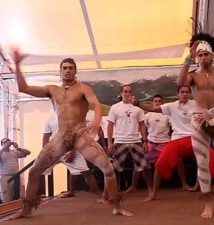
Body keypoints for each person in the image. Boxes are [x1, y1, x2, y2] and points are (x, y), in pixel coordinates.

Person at [9, 50, 132, 219]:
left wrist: (96, 121)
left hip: (79, 134)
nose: (67, 70)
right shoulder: (52, 90)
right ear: (60, 72)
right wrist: (16, 65)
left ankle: (116, 206)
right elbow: (24, 88)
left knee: (108, 168)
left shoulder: (83, 88)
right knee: (34, 171)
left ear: (75, 71)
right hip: (61, 136)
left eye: (71, 68)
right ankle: (27, 208)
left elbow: (95, 104)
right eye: (64, 68)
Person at [178, 32, 214, 219]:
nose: (203, 57)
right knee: (202, 163)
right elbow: (180, 83)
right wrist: (188, 59)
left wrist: (213, 112)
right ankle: (208, 202)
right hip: (198, 119)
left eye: (205, 54)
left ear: (212, 55)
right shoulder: (193, 76)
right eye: (199, 55)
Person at [134, 86, 214, 202]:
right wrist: (138, 103)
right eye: (182, 92)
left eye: (187, 92)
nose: (184, 94)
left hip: (195, 138)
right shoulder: (171, 106)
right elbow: (152, 109)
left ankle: (204, 188)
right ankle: (153, 194)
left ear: (190, 93)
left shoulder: (196, 104)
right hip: (177, 140)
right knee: (160, 163)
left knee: (211, 157)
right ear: (178, 94)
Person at [42, 113, 101, 199]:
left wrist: (73, 151)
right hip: (54, 151)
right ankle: (31, 201)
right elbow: (45, 137)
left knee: (86, 173)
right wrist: (45, 153)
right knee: (36, 171)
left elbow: (77, 135)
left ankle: (99, 195)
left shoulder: (73, 118)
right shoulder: (49, 119)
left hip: (70, 149)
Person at [106, 85, 149, 194]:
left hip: (135, 140)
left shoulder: (137, 108)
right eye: (125, 91)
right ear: (121, 93)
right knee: (112, 167)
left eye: (129, 92)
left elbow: (142, 125)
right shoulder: (115, 107)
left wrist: (145, 140)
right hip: (120, 140)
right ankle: (107, 193)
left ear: (132, 93)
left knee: (142, 165)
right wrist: (110, 142)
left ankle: (136, 187)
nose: (127, 94)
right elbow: (110, 125)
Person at [0, 138, 30, 203]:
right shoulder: (0, 153)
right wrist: (3, 148)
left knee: (19, 197)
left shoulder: (14, 152)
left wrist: (18, 148)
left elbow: (28, 152)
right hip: (5, 178)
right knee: (6, 198)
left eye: (9, 141)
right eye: (5, 142)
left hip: (16, 177)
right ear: (2, 144)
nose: (8, 143)